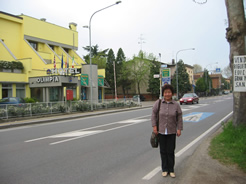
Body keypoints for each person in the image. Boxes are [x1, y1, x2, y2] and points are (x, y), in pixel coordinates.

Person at [151, 84, 183, 178]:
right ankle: (164, 169)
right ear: (163, 94)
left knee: (170, 151)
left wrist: (179, 129)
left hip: (172, 131)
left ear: (172, 93)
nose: (167, 94)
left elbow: (179, 117)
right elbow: (153, 114)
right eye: (165, 92)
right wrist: (154, 126)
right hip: (161, 131)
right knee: (163, 151)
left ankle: (171, 170)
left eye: (169, 92)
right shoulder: (159, 103)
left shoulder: (176, 105)